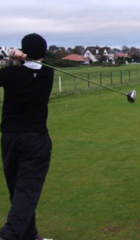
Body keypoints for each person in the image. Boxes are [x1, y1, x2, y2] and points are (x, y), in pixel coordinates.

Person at [0, 33, 54, 240]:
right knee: (26, 190)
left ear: (24, 51)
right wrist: (18, 58)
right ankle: (11, 235)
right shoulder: (47, 74)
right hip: (36, 140)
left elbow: (16, 71)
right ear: (44, 52)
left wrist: (9, 57)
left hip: (10, 138)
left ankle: (29, 234)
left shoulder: (11, 73)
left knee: (19, 190)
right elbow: (30, 68)